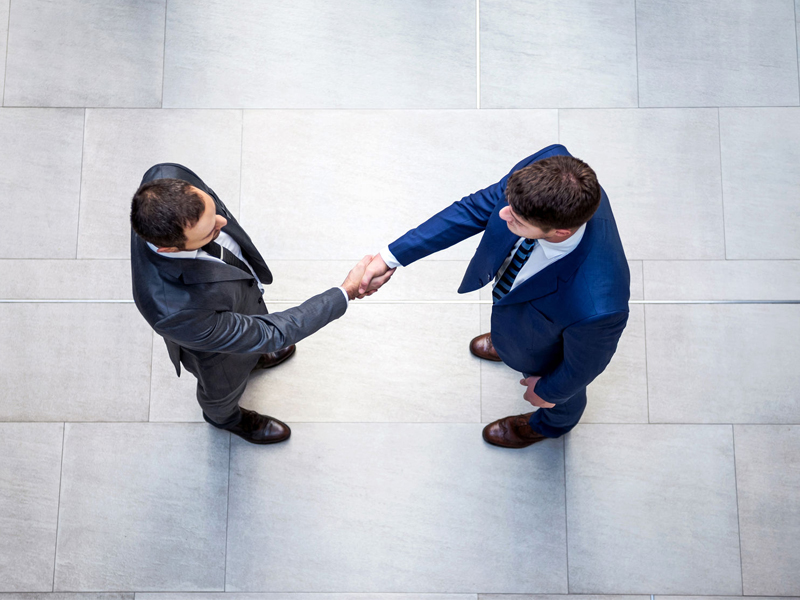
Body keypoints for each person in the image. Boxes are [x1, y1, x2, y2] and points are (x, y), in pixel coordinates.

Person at [359, 144, 630, 448]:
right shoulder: (548, 168)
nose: (501, 215)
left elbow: (581, 368)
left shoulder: (597, 307)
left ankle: (551, 426)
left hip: (550, 347)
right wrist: (391, 258)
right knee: (521, 318)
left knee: (563, 399)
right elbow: (474, 208)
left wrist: (547, 392)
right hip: (528, 316)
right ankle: (509, 340)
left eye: (517, 220)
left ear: (560, 232)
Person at [130, 163, 371, 445]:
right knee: (221, 389)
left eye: (214, 211)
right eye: (210, 232)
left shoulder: (165, 175)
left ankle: (256, 357)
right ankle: (226, 420)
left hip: (236, 295)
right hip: (215, 350)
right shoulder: (175, 312)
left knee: (254, 330)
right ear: (169, 249)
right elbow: (271, 332)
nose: (222, 223)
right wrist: (345, 292)